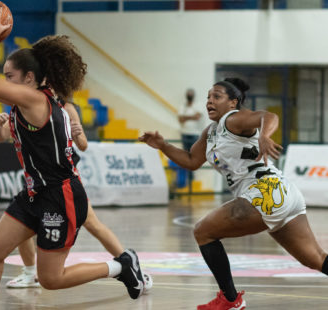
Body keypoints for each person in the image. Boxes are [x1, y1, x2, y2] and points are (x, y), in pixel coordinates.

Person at [0, 5, 146, 310]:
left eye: (10, 76)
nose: (5, 81)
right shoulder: (35, 99)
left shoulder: (36, 100)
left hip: (59, 194)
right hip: (37, 191)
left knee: (50, 279)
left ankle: (120, 266)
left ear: (29, 78)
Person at [139, 77, 328, 310]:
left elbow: (269, 117)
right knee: (315, 259)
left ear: (232, 103)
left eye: (217, 96)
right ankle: (230, 300)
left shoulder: (233, 119)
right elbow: (191, 160)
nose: (209, 101)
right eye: (208, 97)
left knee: (203, 231)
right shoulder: (210, 133)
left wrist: (264, 135)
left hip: (264, 190)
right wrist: (164, 146)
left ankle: (230, 299)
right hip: (283, 193)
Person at [0, 105, 152, 290]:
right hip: (37, 181)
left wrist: (77, 134)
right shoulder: (25, 106)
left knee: (93, 225)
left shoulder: (66, 108)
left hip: (63, 184)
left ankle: (132, 267)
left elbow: (83, 145)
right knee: (21, 227)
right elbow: (2, 136)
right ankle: (30, 273)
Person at [177, 88, 202, 186]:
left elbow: (197, 117)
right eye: (188, 94)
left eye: (191, 94)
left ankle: (192, 178)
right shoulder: (182, 106)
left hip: (195, 134)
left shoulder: (197, 105)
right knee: (186, 157)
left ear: (193, 95)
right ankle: (187, 179)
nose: (189, 95)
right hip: (184, 133)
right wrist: (191, 116)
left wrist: (185, 117)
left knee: (193, 157)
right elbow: (180, 119)